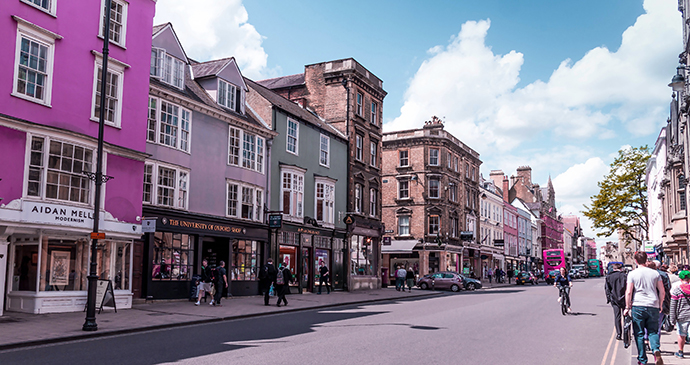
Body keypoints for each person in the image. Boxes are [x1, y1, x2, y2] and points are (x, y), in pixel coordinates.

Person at [624, 251, 665, 365]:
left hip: (638, 305)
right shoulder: (655, 273)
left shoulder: (632, 274)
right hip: (653, 304)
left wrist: (627, 307)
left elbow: (628, 292)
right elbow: (662, 291)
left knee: (639, 333)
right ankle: (656, 350)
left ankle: (642, 359)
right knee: (653, 331)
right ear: (646, 260)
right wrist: (660, 304)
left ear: (636, 261)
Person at [670, 270, 690, 359]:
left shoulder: (677, 291)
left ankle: (681, 351)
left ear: (680, 279)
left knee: (681, 334)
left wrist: (672, 318)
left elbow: (673, 306)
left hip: (682, 315)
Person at [605, 263, 627, 340]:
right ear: (621, 268)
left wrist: (609, 299)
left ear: (614, 269)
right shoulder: (625, 276)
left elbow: (607, 289)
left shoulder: (609, 277)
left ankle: (619, 334)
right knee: (626, 316)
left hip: (614, 299)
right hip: (624, 299)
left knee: (617, 317)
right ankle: (626, 333)